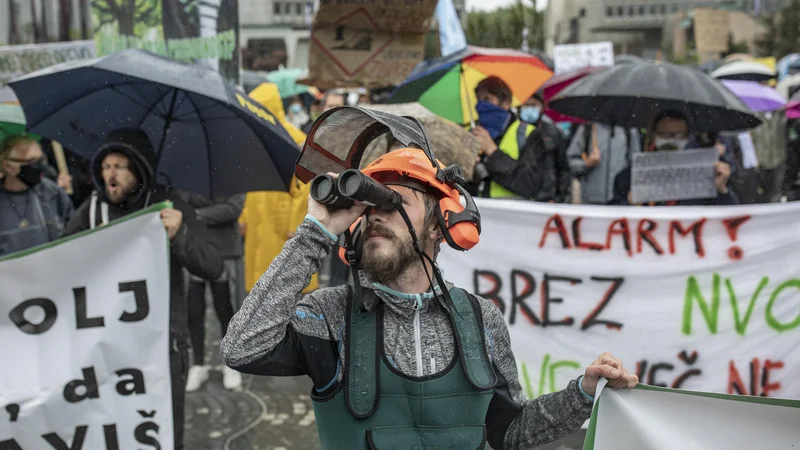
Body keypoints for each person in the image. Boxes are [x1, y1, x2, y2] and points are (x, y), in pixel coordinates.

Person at [220, 146, 638, 449]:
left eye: (394, 202)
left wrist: (582, 393)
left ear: (439, 226)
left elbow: (511, 432)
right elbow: (241, 347)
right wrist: (317, 229)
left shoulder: (480, 319)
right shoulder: (331, 315)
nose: (375, 214)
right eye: (368, 204)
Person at [62, 128, 223, 449]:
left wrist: (180, 235)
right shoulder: (92, 212)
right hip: (105, 348)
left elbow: (212, 265)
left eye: (120, 166)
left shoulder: (168, 204)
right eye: (106, 166)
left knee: (161, 431)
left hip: (162, 348)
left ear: (139, 170)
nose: (111, 173)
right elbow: (60, 262)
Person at [175, 191, 246, 392]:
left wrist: (198, 214)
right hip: (196, 250)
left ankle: (231, 364)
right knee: (194, 310)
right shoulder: (190, 175)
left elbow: (232, 209)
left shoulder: (234, 173)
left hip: (225, 251)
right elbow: (183, 203)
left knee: (225, 309)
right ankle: (198, 365)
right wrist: (209, 209)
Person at [610, 110, 738, 206]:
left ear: (687, 137)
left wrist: (721, 190)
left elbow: (731, 219)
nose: (671, 140)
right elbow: (608, 216)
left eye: (678, 135)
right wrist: (628, 204)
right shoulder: (632, 174)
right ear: (653, 134)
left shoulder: (708, 171)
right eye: (665, 134)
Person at [469, 76, 546, 200]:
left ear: (506, 103)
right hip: (479, 213)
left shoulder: (528, 134)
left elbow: (529, 184)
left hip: (512, 215)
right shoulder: (473, 134)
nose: (480, 105)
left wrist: (492, 152)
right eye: (478, 99)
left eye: (487, 99)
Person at [0, 135, 73, 256]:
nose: (40, 167)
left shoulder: (51, 192)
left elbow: (73, 231)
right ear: (8, 166)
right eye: (32, 162)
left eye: (41, 159)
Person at [567, 123, 641, 205]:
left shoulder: (630, 130)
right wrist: (586, 164)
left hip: (620, 202)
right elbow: (570, 162)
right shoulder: (588, 127)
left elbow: (636, 165)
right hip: (591, 202)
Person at [518, 89, 572, 203]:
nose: (529, 109)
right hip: (519, 196)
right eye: (526, 105)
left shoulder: (552, 131)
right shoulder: (514, 130)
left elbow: (563, 168)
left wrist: (559, 197)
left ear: (542, 107)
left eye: (533, 105)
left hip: (547, 200)